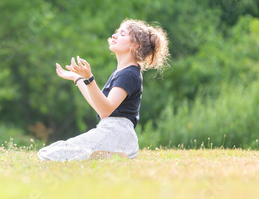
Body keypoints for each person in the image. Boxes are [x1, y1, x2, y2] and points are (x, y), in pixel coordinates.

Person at [37, 19, 169, 161]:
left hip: (117, 133)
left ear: (135, 45)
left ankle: (105, 156)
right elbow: (99, 106)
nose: (115, 35)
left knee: (49, 155)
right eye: (117, 32)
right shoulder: (123, 71)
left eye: (122, 34)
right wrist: (78, 79)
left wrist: (89, 78)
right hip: (112, 132)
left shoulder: (129, 74)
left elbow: (105, 110)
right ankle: (111, 155)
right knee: (50, 150)